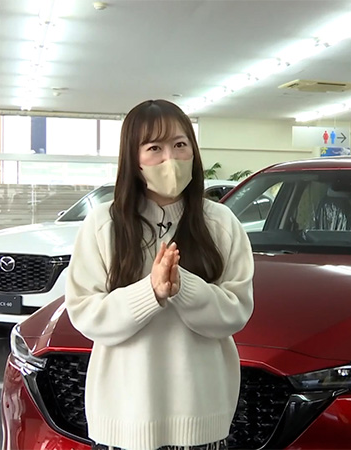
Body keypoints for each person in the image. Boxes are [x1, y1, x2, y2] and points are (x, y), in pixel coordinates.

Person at [65, 99, 255, 450]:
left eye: (180, 145)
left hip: (201, 419)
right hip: (123, 421)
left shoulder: (221, 222)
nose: (171, 158)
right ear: (133, 159)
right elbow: (86, 313)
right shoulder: (104, 223)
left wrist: (184, 289)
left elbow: (236, 311)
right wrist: (150, 292)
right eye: (155, 148)